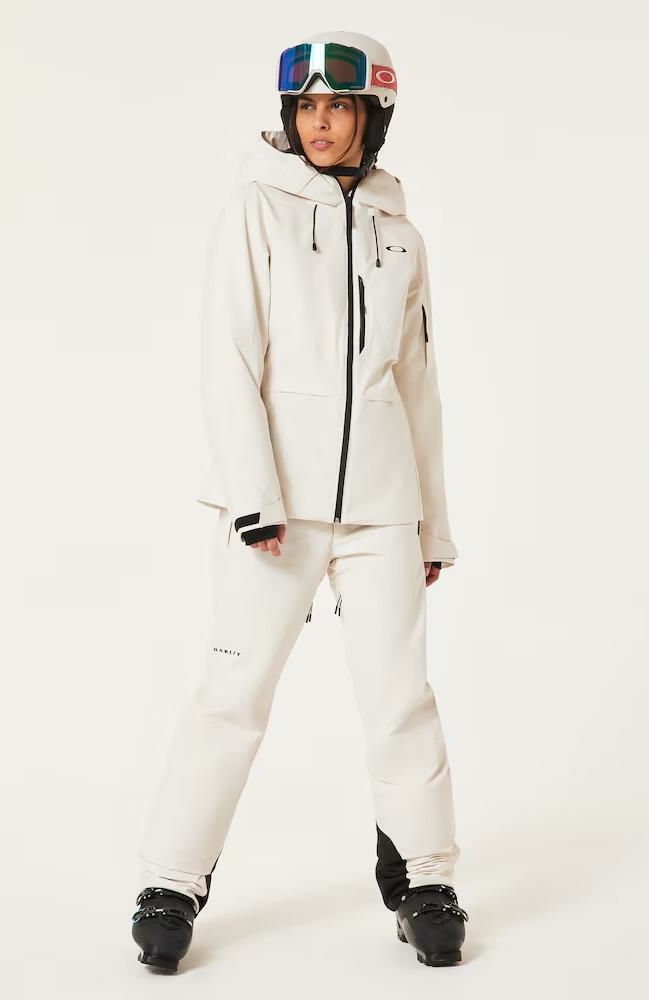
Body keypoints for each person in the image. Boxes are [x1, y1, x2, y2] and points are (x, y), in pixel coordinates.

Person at [131, 30, 469, 972]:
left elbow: (419, 386)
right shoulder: (258, 210)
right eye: (307, 107)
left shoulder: (402, 235)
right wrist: (253, 495)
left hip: (382, 510)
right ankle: (170, 881)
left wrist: (433, 524)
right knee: (233, 696)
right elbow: (229, 356)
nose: (320, 123)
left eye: (339, 106)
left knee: (401, 698)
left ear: (372, 115)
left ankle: (426, 877)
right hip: (274, 512)